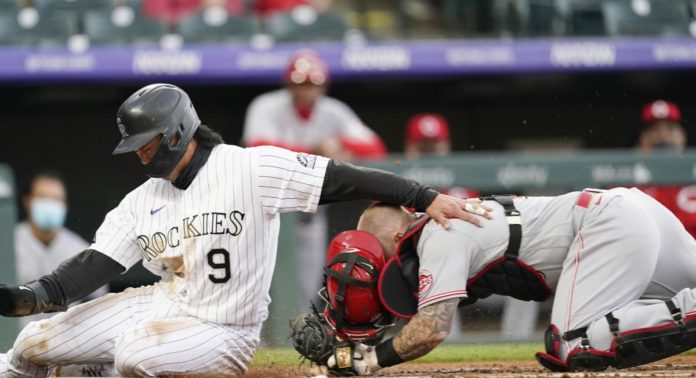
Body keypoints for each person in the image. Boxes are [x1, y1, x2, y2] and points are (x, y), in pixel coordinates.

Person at [0, 83, 489, 377]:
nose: (141, 154)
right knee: (33, 343)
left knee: (133, 356)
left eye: (147, 144)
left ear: (175, 133)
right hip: (163, 304)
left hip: (224, 331)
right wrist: (24, 296)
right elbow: (92, 267)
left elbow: (340, 177)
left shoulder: (249, 169)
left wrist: (423, 197)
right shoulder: (143, 200)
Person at [303, 187, 696, 375]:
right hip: (628, 213)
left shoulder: (437, 232)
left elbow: (430, 330)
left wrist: (370, 359)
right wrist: (354, 341)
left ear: (394, 238)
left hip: (606, 224)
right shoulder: (435, 230)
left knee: (572, 346)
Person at [243, 51, 387, 308]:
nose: (307, 90)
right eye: (301, 84)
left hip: (308, 208)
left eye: (313, 84)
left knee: (308, 281)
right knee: (257, 275)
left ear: (323, 85)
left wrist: (339, 144)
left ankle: (298, 329)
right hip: (264, 208)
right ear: (289, 85)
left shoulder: (334, 111)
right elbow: (258, 148)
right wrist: (317, 149)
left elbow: (375, 149)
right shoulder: (266, 106)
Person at [14, 171, 109, 330]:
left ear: (65, 205)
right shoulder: (7, 244)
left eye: (57, 199)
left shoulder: (80, 250)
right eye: (43, 197)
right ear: (28, 201)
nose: (50, 204)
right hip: (11, 343)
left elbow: (101, 307)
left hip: (67, 346)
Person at [631, 100, 696, 237]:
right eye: (655, 130)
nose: (663, 136)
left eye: (670, 128)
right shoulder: (627, 181)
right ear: (643, 138)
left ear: (682, 136)